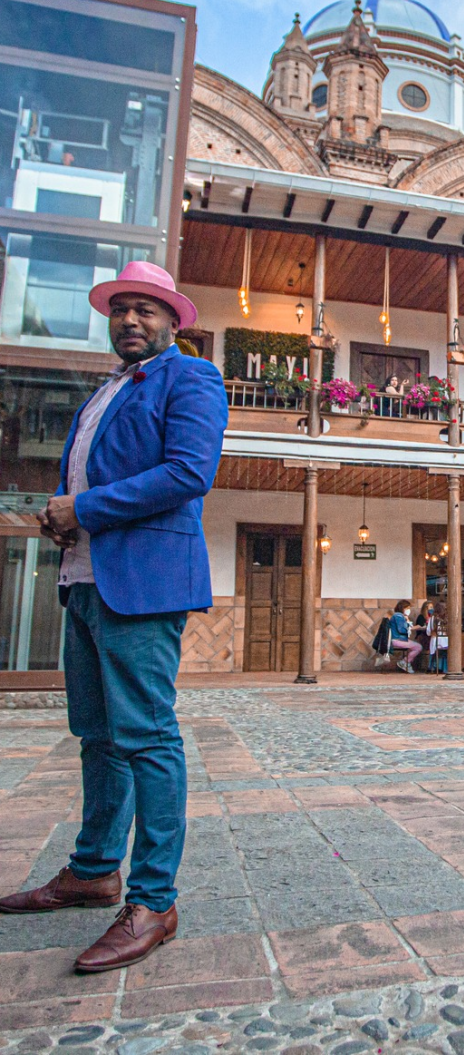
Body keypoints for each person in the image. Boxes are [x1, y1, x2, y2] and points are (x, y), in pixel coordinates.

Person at [0, 262, 227, 973]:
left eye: (146, 309)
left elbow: (190, 473)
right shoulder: (102, 391)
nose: (131, 319)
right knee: (96, 735)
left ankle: (155, 901)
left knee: (147, 736)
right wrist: (63, 516)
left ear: (173, 320)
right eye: (120, 308)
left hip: (144, 586)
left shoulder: (190, 378)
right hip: (85, 579)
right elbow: (91, 477)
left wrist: (85, 509)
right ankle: (94, 870)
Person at [389, 600, 422, 672]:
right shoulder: (398, 616)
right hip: (397, 639)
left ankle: (407, 662)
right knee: (418, 647)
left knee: (414, 646)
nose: (408, 610)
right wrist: (413, 627)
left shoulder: (399, 616)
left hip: (399, 639)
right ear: (402, 608)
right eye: (407, 608)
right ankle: (405, 662)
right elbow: (402, 629)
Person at [428, 600, 448, 674]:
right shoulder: (448, 619)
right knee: (445, 652)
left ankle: (433, 666)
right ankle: (444, 668)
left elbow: (428, 632)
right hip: (446, 642)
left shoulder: (432, 619)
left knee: (434, 647)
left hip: (435, 641)